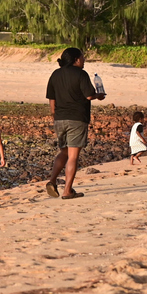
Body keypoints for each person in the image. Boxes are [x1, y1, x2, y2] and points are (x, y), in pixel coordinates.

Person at [45, 47, 105, 199]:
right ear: (76, 59)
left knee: (64, 151)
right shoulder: (81, 74)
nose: (84, 60)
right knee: (73, 156)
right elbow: (89, 96)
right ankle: (67, 191)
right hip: (77, 118)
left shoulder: (55, 74)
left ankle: (52, 180)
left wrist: (55, 116)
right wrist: (98, 95)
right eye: (83, 57)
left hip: (59, 118)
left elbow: (52, 99)